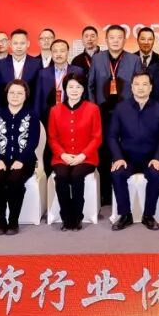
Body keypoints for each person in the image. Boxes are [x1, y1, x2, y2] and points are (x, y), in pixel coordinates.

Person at [108, 71, 159, 231]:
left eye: (144, 84)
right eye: (136, 84)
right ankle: (125, 215)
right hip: (127, 157)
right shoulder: (121, 108)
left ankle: (148, 215)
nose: (140, 88)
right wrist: (118, 157)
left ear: (151, 87)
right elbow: (112, 136)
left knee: (155, 175)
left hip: (150, 157)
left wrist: (158, 158)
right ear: (131, 87)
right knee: (117, 173)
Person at [88, 24, 141, 203]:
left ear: (125, 40)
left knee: (124, 149)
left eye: (119, 37)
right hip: (102, 112)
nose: (116, 41)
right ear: (106, 40)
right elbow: (90, 85)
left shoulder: (134, 60)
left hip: (126, 113)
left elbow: (139, 88)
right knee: (103, 151)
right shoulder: (97, 59)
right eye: (112, 37)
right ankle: (105, 192)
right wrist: (93, 109)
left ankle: (122, 190)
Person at [0, 80, 41, 235]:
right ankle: (0, 221)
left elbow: (33, 142)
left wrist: (21, 160)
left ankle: (13, 221)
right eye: (12, 93)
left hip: (24, 160)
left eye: (19, 93)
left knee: (14, 180)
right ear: (6, 95)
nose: (15, 96)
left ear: (25, 96)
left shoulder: (32, 115)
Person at [48, 73, 102, 230]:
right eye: (71, 87)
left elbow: (97, 137)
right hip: (61, 157)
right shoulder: (55, 110)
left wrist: (82, 155)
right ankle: (66, 217)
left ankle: (77, 217)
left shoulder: (93, 109)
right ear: (65, 89)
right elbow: (52, 138)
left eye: (78, 87)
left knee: (77, 175)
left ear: (83, 89)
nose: (74, 90)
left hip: (86, 157)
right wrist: (62, 154)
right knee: (62, 176)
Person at [0, 29, 41, 109]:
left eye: (22, 43)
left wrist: (36, 112)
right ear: (10, 44)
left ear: (28, 44)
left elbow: (39, 91)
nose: (19, 46)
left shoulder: (36, 63)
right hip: (5, 109)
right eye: (15, 43)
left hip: (28, 109)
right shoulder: (1, 64)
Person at [35, 39, 74, 126]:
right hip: (48, 116)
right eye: (55, 51)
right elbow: (38, 99)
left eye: (62, 51)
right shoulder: (42, 73)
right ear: (51, 53)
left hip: (72, 115)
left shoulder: (77, 71)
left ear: (68, 52)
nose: (59, 54)